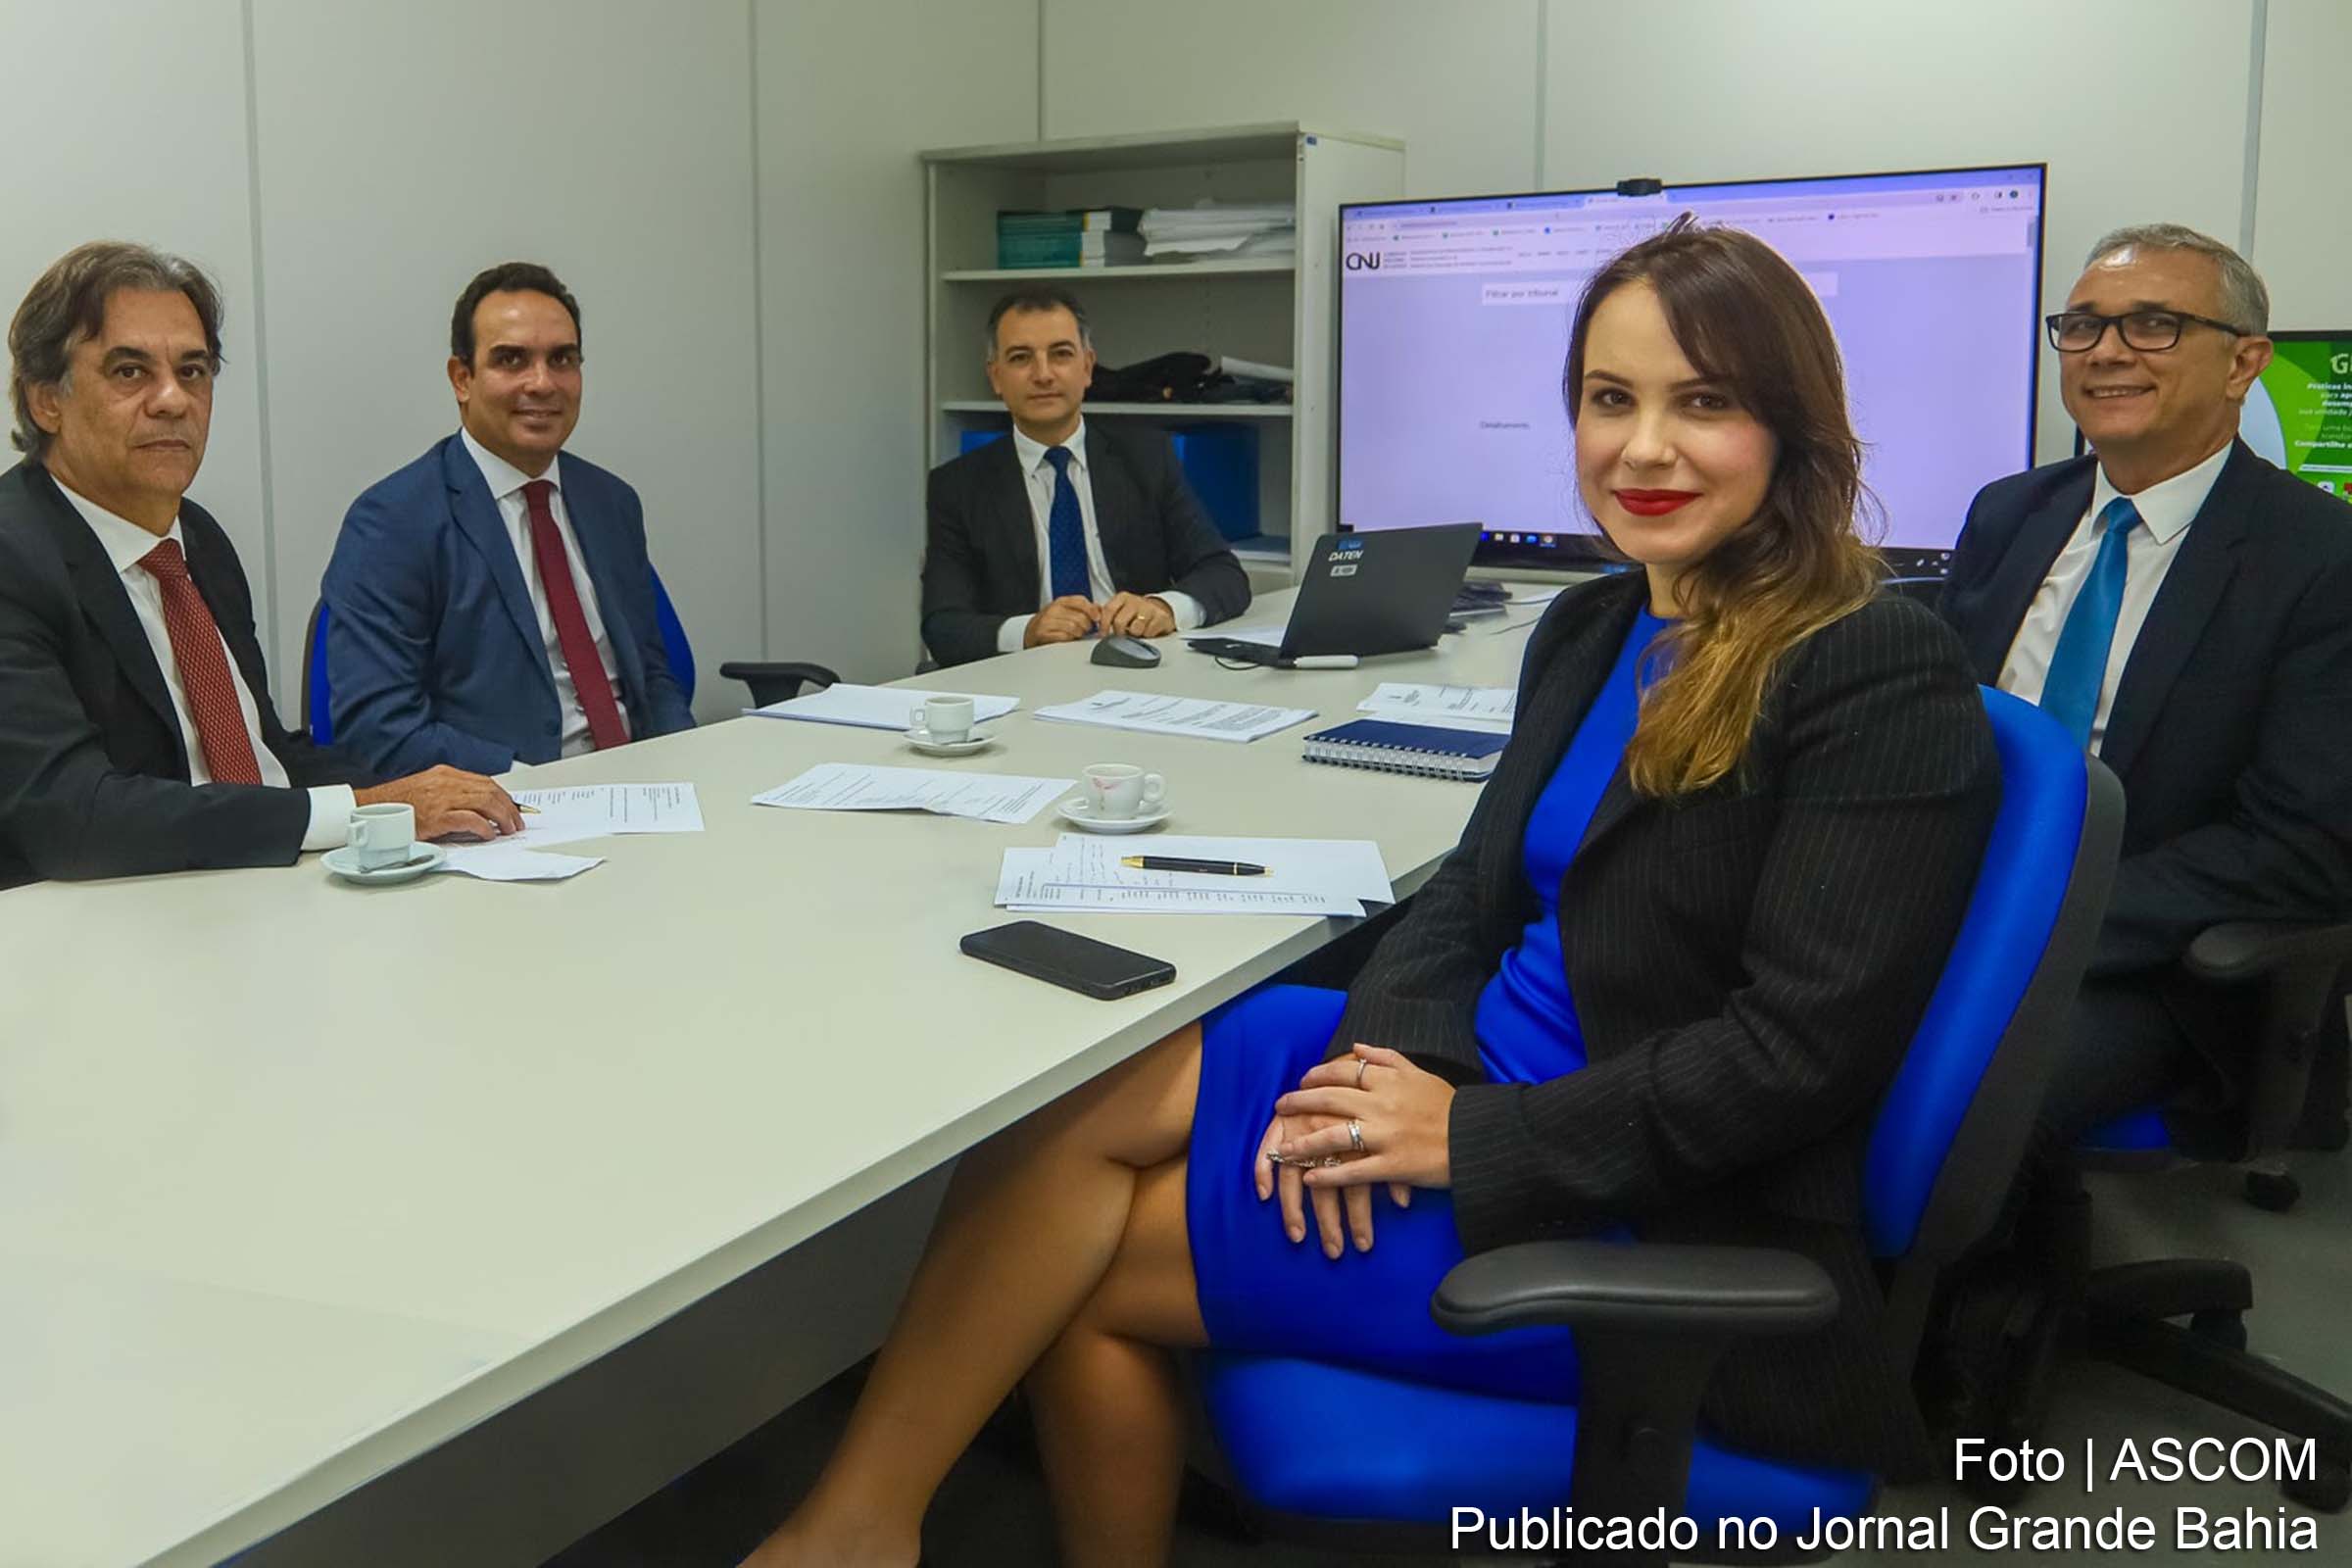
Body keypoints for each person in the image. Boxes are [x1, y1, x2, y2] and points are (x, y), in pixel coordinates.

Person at [743, 222, 2000, 1567]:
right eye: (1609, 399)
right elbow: (1470, 897)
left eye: (1703, 403)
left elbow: (1793, 1056)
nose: (1644, 449)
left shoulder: (1873, 667)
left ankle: (848, 1532)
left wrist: (1465, 1138)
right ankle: (858, 1526)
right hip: (1478, 1071)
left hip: (1628, 1191)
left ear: (1792, 425)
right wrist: (1386, 1068)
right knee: (1073, 1097)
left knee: (1073, 1277)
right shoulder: (1596, 626)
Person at [1938, 223, 2352, 1146]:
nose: (2107, 352)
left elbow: (2301, 849)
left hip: (2153, 966)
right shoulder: (2010, 512)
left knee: (1930, 1092)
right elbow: (1937, 731)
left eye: (2154, 324)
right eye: (2083, 325)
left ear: (2244, 363)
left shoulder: (2322, 560)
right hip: (1949, 908)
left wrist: (2030, 917)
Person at [0, 241, 517, 890]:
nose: (173, 400)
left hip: (263, 887)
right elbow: (72, 814)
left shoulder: (198, 540)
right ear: (45, 399)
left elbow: (262, 754)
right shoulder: (14, 557)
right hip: (107, 918)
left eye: (193, 371)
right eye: (130, 372)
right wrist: (362, 809)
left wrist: (426, 794)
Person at [320, 262, 695, 777]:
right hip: (507, 801)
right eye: (511, 360)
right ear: (462, 379)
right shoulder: (392, 522)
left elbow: (652, 677)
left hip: (643, 789)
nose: (542, 383)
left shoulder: (611, 503)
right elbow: (379, 730)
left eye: (562, 359)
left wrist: (689, 763)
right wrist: (531, 788)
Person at [918, 286, 1250, 666]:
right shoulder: (958, 487)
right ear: (996, 377)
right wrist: (1027, 631)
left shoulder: (1147, 459)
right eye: (1021, 358)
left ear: (1087, 367)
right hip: (1024, 674)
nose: (1043, 374)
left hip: (1138, 669)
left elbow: (1223, 574)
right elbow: (943, 625)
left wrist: (1163, 607)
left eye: (1060, 354)